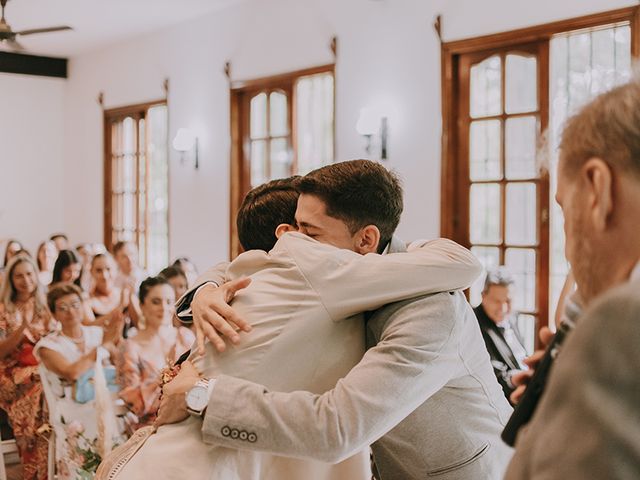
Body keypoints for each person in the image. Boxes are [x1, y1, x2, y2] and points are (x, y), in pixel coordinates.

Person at [98, 167, 485, 479]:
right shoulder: (307, 269)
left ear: (367, 240)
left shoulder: (428, 307)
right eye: (292, 228)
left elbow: (338, 429)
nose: (292, 239)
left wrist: (202, 394)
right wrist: (206, 290)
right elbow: (242, 263)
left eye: (308, 232)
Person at [505, 80, 640, 478]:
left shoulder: (623, 322)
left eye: (564, 210)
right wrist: (565, 394)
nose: (567, 248)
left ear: (598, 189)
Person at [35, 283, 124, 480]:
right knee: (97, 416)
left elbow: (120, 366)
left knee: (127, 415)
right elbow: (72, 373)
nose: (71, 312)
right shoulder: (47, 346)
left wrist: (118, 345)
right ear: (54, 313)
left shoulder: (96, 333)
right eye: (63, 308)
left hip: (103, 397)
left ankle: (116, 471)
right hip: (70, 405)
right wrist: (102, 347)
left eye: (75, 305)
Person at [0, 255, 57, 480]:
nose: (25, 279)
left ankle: (59, 459)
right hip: (11, 371)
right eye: (19, 275)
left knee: (55, 380)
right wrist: (21, 328)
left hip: (45, 365)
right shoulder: (4, 308)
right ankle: (33, 458)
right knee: (41, 382)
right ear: (11, 280)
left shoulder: (46, 305)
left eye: (29, 273)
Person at [117, 276, 194, 429]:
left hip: (189, 419)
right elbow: (133, 401)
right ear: (142, 306)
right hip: (150, 426)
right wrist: (164, 381)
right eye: (156, 302)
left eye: (168, 302)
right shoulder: (131, 346)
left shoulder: (185, 337)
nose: (164, 308)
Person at [473, 267, 528, 403]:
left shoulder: (513, 317)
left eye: (508, 301)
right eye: (497, 301)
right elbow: (487, 373)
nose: (503, 309)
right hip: (504, 398)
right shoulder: (473, 324)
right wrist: (520, 378)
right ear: (483, 296)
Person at [88, 253, 139, 331]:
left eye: (108, 269)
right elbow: (88, 328)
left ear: (116, 270)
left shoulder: (126, 294)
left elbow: (141, 325)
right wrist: (120, 307)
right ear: (91, 272)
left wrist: (131, 298)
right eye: (99, 270)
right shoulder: (86, 299)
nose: (104, 276)